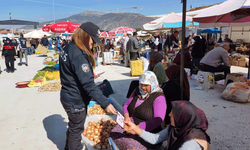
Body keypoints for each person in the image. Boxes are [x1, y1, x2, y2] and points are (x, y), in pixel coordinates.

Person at [59, 22, 117, 150]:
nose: (93, 44)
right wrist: (105, 103)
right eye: (92, 40)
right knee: (76, 130)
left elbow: (72, 72)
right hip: (75, 100)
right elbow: (89, 85)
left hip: (67, 95)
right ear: (85, 36)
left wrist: (87, 75)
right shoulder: (79, 54)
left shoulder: (68, 48)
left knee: (74, 126)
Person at [109, 71, 167, 150]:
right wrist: (126, 117)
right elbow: (126, 105)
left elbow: (158, 120)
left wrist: (136, 129)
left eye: (146, 85)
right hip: (130, 126)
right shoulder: (137, 91)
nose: (142, 87)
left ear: (152, 83)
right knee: (113, 134)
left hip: (148, 133)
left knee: (129, 145)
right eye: (141, 84)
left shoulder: (159, 98)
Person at [124, 101, 211, 150]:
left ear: (182, 118)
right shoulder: (177, 127)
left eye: (173, 113)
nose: (169, 115)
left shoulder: (191, 142)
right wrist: (135, 128)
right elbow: (156, 138)